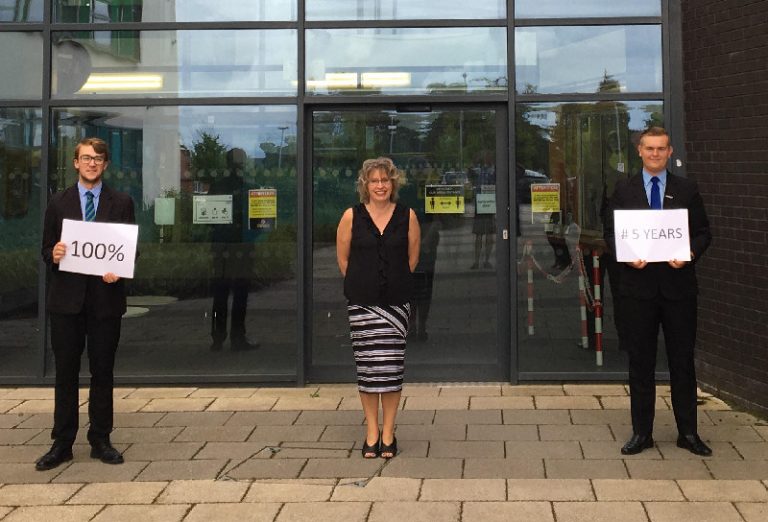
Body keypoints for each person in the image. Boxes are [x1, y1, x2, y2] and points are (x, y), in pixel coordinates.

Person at [604, 127, 712, 456]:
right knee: (641, 363)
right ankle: (642, 433)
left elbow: (704, 232)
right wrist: (625, 255)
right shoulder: (623, 189)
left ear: (669, 152)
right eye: (649, 148)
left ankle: (688, 433)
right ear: (639, 151)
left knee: (682, 362)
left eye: (661, 149)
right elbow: (610, 233)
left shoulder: (687, 189)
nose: (655, 154)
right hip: (638, 290)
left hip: (679, 290)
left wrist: (690, 254)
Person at [37, 137, 136, 470]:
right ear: (75, 163)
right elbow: (46, 248)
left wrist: (118, 271)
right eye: (86, 158)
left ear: (106, 165)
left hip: (105, 302)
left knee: (102, 372)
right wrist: (54, 254)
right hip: (66, 303)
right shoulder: (58, 202)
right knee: (65, 373)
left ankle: (101, 439)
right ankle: (62, 443)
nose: (92, 163)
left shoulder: (122, 202)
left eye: (98, 159)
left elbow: (129, 250)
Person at [336, 157, 420, 459]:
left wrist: (391, 282)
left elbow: (412, 259)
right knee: (369, 370)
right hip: (362, 305)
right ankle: (372, 431)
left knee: (392, 370)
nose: (380, 185)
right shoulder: (351, 216)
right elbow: (343, 259)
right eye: (374, 181)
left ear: (393, 184)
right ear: (365, 185)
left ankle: (389, 432)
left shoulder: (407, 216)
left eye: (385, 180)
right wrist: (365, 282)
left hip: (396, 305)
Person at [209, 148, 258, 351]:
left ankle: (219, 338)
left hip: (224, 245)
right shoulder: (247, 188)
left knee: (224, 292)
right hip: (237, 245)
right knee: (237, 292)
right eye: (240, 161)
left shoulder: (218, 187)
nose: (241, 165)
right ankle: (236, 338)